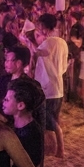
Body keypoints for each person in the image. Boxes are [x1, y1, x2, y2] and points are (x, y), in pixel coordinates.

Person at [32, 14, 67, 158]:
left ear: (45, 27)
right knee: (55, 118)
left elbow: (38, 53)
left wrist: (27, 41)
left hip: (48, 87)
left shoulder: (49, 42)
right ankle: (56, 149)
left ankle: (60, 149)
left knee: (50, 121)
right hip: (58, 85)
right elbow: (64, 67)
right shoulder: (62, 42)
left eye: (40, 26)